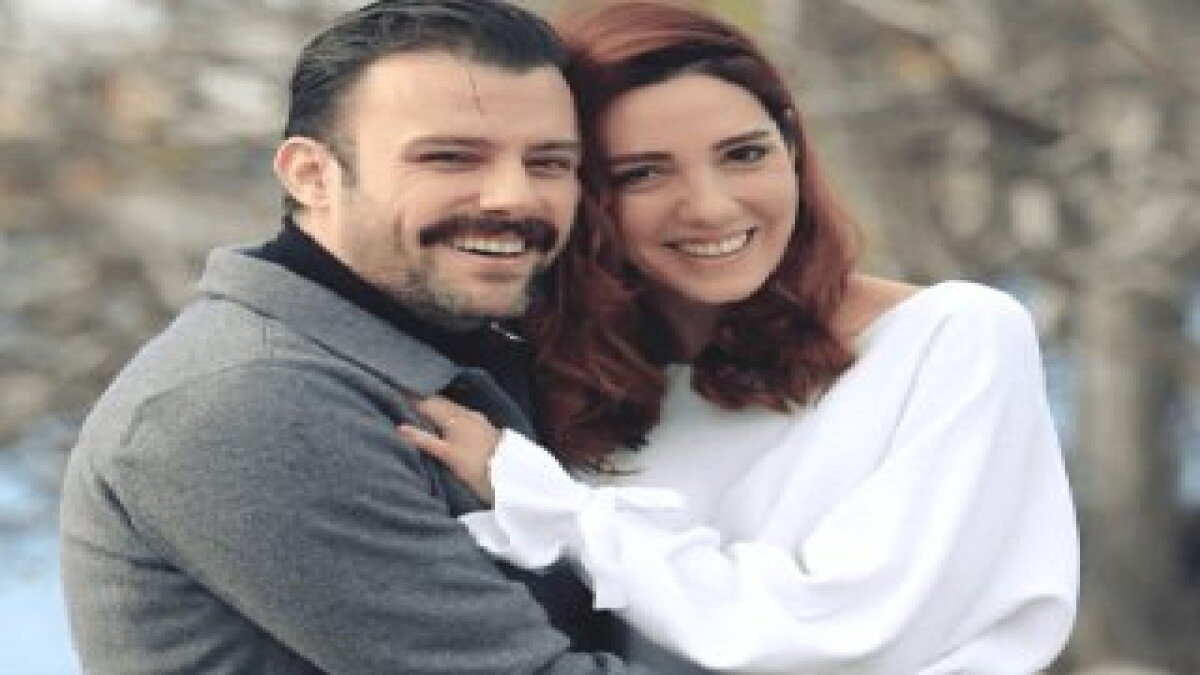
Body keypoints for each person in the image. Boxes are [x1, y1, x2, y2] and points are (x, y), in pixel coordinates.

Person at [400, 2, 1081, 672]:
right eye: (643, 173)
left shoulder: (951, 335)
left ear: (792, 150)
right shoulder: (556, 376)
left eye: (744, 154)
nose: (711, 207)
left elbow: (845, 633)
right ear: (578, 194)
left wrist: (551, 507)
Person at [58, 1, 654, 673]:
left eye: (548, 163)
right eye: (451, 158)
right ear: (311, 176)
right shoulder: (252, 401)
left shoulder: (456, 347)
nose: (512, 197)